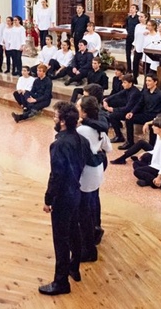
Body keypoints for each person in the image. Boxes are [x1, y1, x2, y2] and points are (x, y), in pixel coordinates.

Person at [39, 101, 90, 296]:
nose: (53, 119)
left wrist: (48, 199)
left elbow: (56, 175)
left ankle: (61, 282)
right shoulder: (81, 139)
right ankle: (73, 268)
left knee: (60, 239)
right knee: (74, 232)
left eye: (54, 116)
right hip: (76, 191)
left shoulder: (59, 144)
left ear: (62, 122)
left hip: (63, 196)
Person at [77, 96, 111, 262]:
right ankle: (96, 230)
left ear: (83, 111)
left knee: (84, 210)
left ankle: (87, 246)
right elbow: (109, 148)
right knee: (93, 203)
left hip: (87, 174)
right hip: (98, 170)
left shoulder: (82, 130)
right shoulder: (99, 127)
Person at [120, 73, 161, 150]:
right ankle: (129, 142)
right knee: (129, 119)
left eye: (149, 81)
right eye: (146, 81)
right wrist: (132, 112)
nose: (147, 83)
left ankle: (151, 148)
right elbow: (139, 104)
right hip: (145, 115)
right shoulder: (145, 92)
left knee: (154, 127)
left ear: (155, 82)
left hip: (155, 117)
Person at [133, 115, 161, 196]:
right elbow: (156, 150)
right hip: (155, 164)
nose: (152, 127)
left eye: (155, 126)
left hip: (160, 169)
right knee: (136, 163)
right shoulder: (160, 136)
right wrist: (146, 152)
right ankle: (149, 181)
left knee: (137, 171)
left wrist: (159, 177)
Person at [104, 74, 141, 144]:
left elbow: (128, 108)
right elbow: (117, 94)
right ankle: (119, 136)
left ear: (130, 83)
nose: (122, 84)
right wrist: (106, 99)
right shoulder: (127, 89)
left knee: (113, 115)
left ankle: (128, 141)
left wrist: (113, 109)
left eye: (124, 83)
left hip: (135, 112)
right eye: (122, 82)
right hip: (129, 110)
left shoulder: (135, 93)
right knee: (112, 115)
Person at [132, 11, 149, 80]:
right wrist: (134, 47)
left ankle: (146, 80)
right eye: (139, 16)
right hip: (138, 47)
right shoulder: (137, 26)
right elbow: (135, 37)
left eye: (142, 17)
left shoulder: (148, 27)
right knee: (135, 63)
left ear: (146, 18)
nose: (140, 18)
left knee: (145, 66)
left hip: (145, 49)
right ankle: (135, 77)